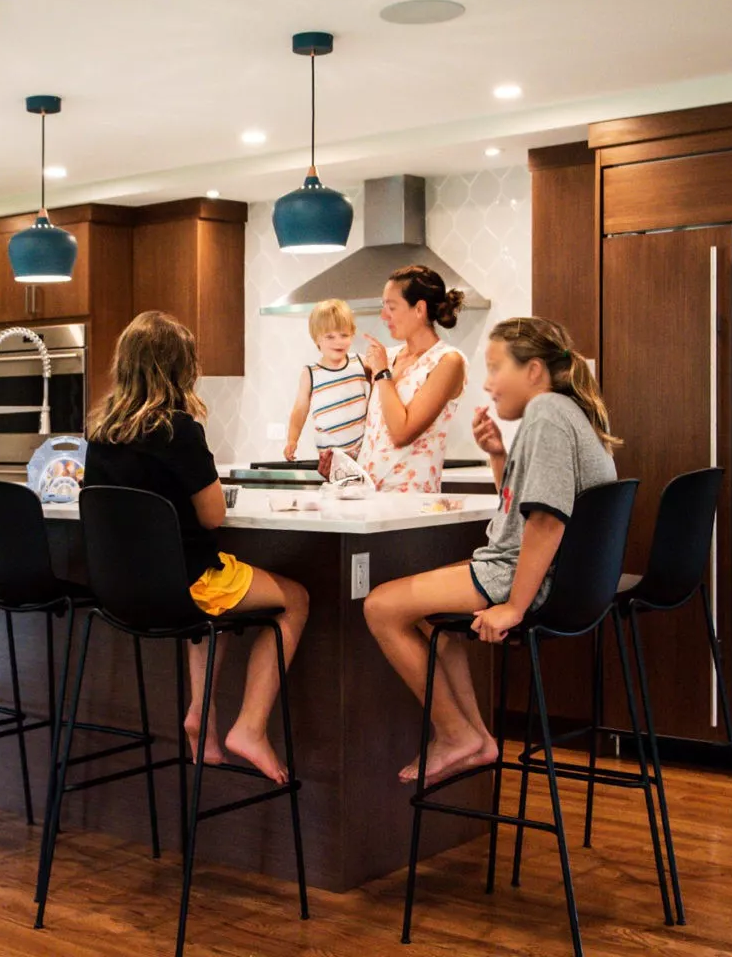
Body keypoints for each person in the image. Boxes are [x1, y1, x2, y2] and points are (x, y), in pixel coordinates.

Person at [362, 317, 620, 785]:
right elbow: (526, 512)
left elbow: (545, 522)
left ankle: (457, 733)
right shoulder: (567, 413)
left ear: (535, 370)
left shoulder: (547, 414)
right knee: (428, 611)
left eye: (497, 367)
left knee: (380, 607)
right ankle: (475, 737)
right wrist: (499, 457)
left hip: (527, 579)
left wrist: (514, 607)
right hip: (561, 579)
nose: (487, 382)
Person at [84, 311, 310, 784]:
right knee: (295, 599)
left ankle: (200, 719)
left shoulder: (101, 433)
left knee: (214, 616)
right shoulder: (179, 429)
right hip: (187, 585)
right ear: (181, 368)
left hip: (121, 591)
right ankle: (249, 727)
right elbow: (212, 516)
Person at [357, 265, 467, 492]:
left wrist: (382, 374)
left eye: (391, 307)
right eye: (383, 306)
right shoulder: (389, 357)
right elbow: (378, 430)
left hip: (411, 500)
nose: (383, 315)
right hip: (366, 494)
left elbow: (402, 433)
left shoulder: (447, 361)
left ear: (419, 309)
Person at [284, 298, 370, 460]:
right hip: (330, 458)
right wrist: (292, 439)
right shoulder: (310, 373)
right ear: (316, 338)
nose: (338, 341)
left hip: (363, 453)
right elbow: (300, 410)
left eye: (344, 335)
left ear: (352, 334)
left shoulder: (361, 362)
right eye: (330, 337)